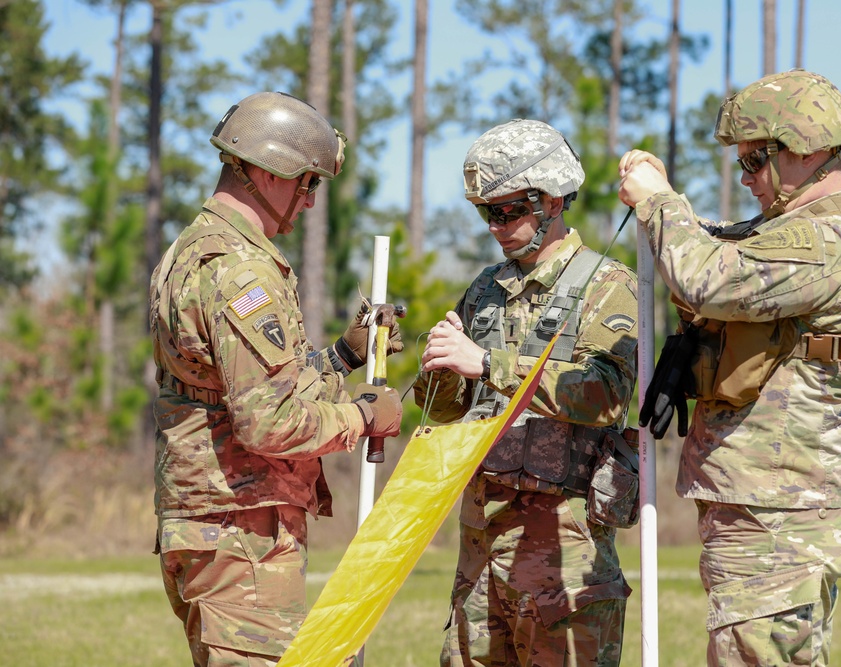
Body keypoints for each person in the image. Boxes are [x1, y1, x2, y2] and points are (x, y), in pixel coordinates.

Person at [618, 69, 841, 666]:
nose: (746, 181)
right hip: (762, 504)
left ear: (809, 150)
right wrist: (665, 211)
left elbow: (706, 275)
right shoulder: (787, 235)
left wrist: (661, 202)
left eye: (756, 162)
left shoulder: (829, 244)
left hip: (781, 511)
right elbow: (715, 248)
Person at [149, 91, 403, 667]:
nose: (310, 202)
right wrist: (364, 417)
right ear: (265, 171)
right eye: (306, 182)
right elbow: (268, 421)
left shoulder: (192, 249)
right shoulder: (241, 268)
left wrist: (340, 357)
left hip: (213, 526)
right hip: (241, 531)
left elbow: (234, 386)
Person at [415, 119, 640, 666]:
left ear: (553, 201)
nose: (495, 225)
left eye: (508, 209)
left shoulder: (608, 285)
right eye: (485, 212)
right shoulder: (485, 289)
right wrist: (442, 367)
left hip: (562, 546)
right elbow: (447, 411)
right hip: (481, 543)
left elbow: (606, 393)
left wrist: (489, 363)